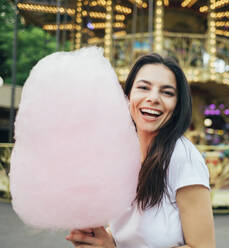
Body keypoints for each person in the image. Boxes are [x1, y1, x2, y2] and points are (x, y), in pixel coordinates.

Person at [65, 53, 215, 247]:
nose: (153, 98)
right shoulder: (124, 152)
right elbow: (128, 232)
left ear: (177, 106)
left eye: (167, 92)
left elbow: (203, 247)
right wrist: (102, 239)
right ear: (128, 96)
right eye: (143, 87)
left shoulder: (183, 158)